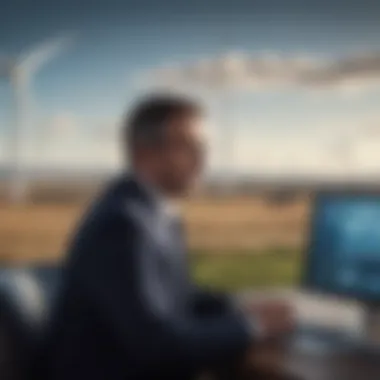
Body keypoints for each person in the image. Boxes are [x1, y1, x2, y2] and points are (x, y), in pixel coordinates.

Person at [41, 94, 294, 380]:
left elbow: (171, 300)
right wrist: (252, 326)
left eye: (203, 147)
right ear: (144, 153)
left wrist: (236, 309)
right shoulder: (122, 225)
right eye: (190, 146)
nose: (203, 159)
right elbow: (157, 344)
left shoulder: (149, 212)